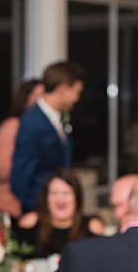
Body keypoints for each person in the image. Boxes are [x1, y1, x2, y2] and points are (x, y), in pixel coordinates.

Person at [10, 60, 84, 213]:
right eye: (77, 92)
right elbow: (20, 178)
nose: (77, 98)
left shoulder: (58, 119)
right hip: (41, 212)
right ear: (63, 89)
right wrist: (41, 210)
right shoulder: (33, 122)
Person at [15, 170, 104, 258]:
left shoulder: (92, 226)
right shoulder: (30, 222)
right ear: (46, 198)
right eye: (54, 193)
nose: (60, 200)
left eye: (66, 193)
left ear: (77, 197)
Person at [0, 79, 42, 218]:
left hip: (33, 205)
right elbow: (2, 171)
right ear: (25, 98)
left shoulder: (41, 128)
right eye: (38, 96)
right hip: (9, 206)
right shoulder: (13, 125)